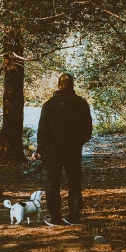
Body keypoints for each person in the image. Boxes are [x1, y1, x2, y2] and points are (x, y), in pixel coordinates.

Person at [37, 73, 92, 226]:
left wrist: (41, 148)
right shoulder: (81, 104)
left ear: (59, 85)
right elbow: (88, 130)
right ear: (72, 85)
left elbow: (42, 130)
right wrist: (78, 142)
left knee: (53, 184)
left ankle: (55, 218)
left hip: (53, 151)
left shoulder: (49, 105)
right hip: (73, 151)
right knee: (74, 182)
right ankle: (73, 216)